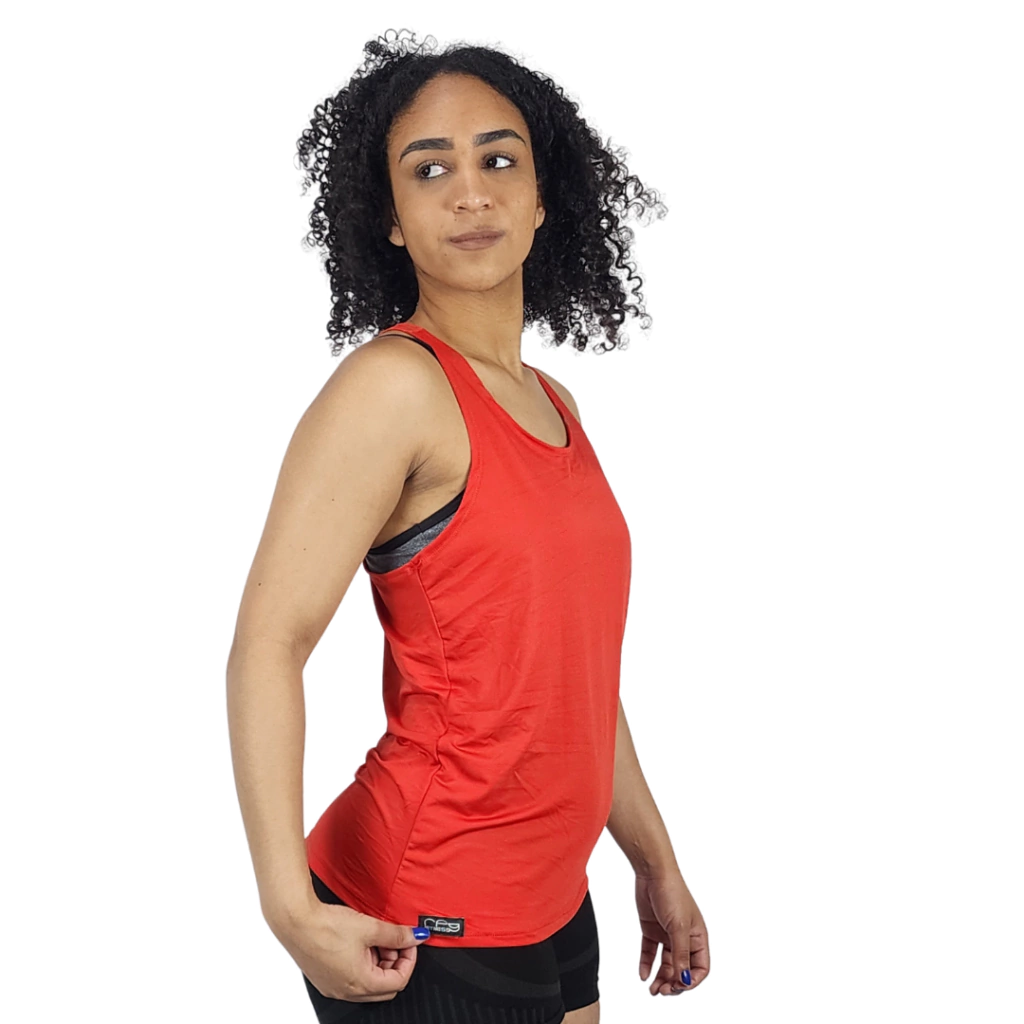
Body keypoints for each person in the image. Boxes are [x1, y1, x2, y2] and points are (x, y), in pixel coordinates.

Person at [226, 28, 710, 1023]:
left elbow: (571, 677)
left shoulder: (554, 402)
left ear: (542, 198)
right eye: (429, 169)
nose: (471, 193)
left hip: (552, 891)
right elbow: (268, 645)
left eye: (498, 160)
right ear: (391, 217)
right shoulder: (391, 389)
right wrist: (286, 907)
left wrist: (653, 859)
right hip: (426, 903)